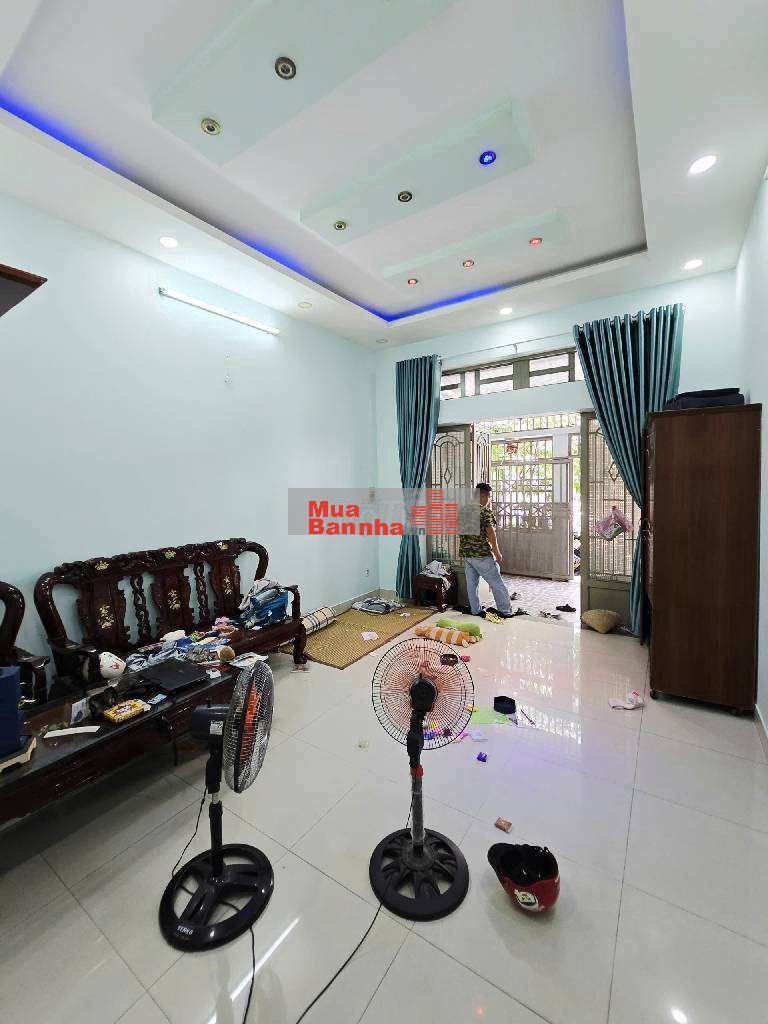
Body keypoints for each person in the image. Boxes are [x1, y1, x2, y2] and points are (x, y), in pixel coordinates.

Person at [458, 482, 514, 618]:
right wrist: (497, 552)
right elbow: (490, 533)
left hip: (467, 554)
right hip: (481, 554)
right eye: (489, 497)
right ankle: (505, 611)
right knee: (496, 583)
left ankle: (475, 610)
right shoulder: (484, 511)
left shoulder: (463, 510)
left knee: (472, 585)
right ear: (483, 496)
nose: (489, 500)